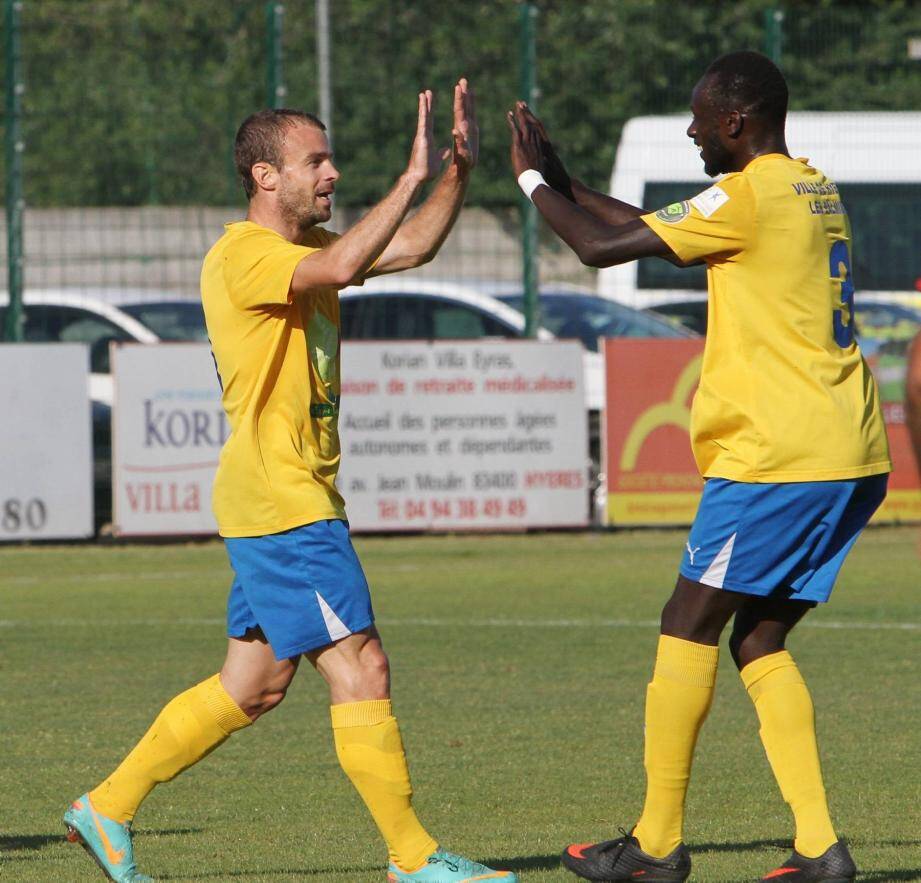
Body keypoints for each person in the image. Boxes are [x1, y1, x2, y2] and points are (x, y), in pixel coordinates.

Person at [64, 80, 517, 883]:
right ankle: (413, 860)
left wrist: (454, 172)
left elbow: (406, 250)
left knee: (254, 685)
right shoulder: (242, 255)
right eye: (316, 160)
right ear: (265, 177)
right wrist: (406, 177)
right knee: (361, 664)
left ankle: (106, 805)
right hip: (282, 500)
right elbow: (351, 256)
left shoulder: (300, 255)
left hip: (279, 495)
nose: (331, 172)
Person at [508, 51, 890, 883]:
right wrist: (566, 176)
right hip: (848, 449)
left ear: (734, 121)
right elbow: (647, 226)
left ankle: (652, 847)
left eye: (697, 117)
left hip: (776, 458)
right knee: (756, 637)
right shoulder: (809, 187)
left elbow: (601, 249)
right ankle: (821, 848)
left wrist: (533, 184)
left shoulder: (747, 196)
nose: (688, 129)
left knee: (685, 621)